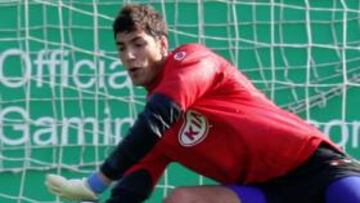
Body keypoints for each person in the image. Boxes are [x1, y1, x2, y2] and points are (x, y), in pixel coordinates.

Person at [45, 4, 360, 203]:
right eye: (121, 48)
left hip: (318, 169)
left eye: (138, 44)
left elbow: (160, 113)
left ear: (163, 45)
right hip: (265, 192)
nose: (129, 56)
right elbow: (130, 192)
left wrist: (95, 182)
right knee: (182, 199)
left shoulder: (192, 60)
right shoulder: (154, 136)